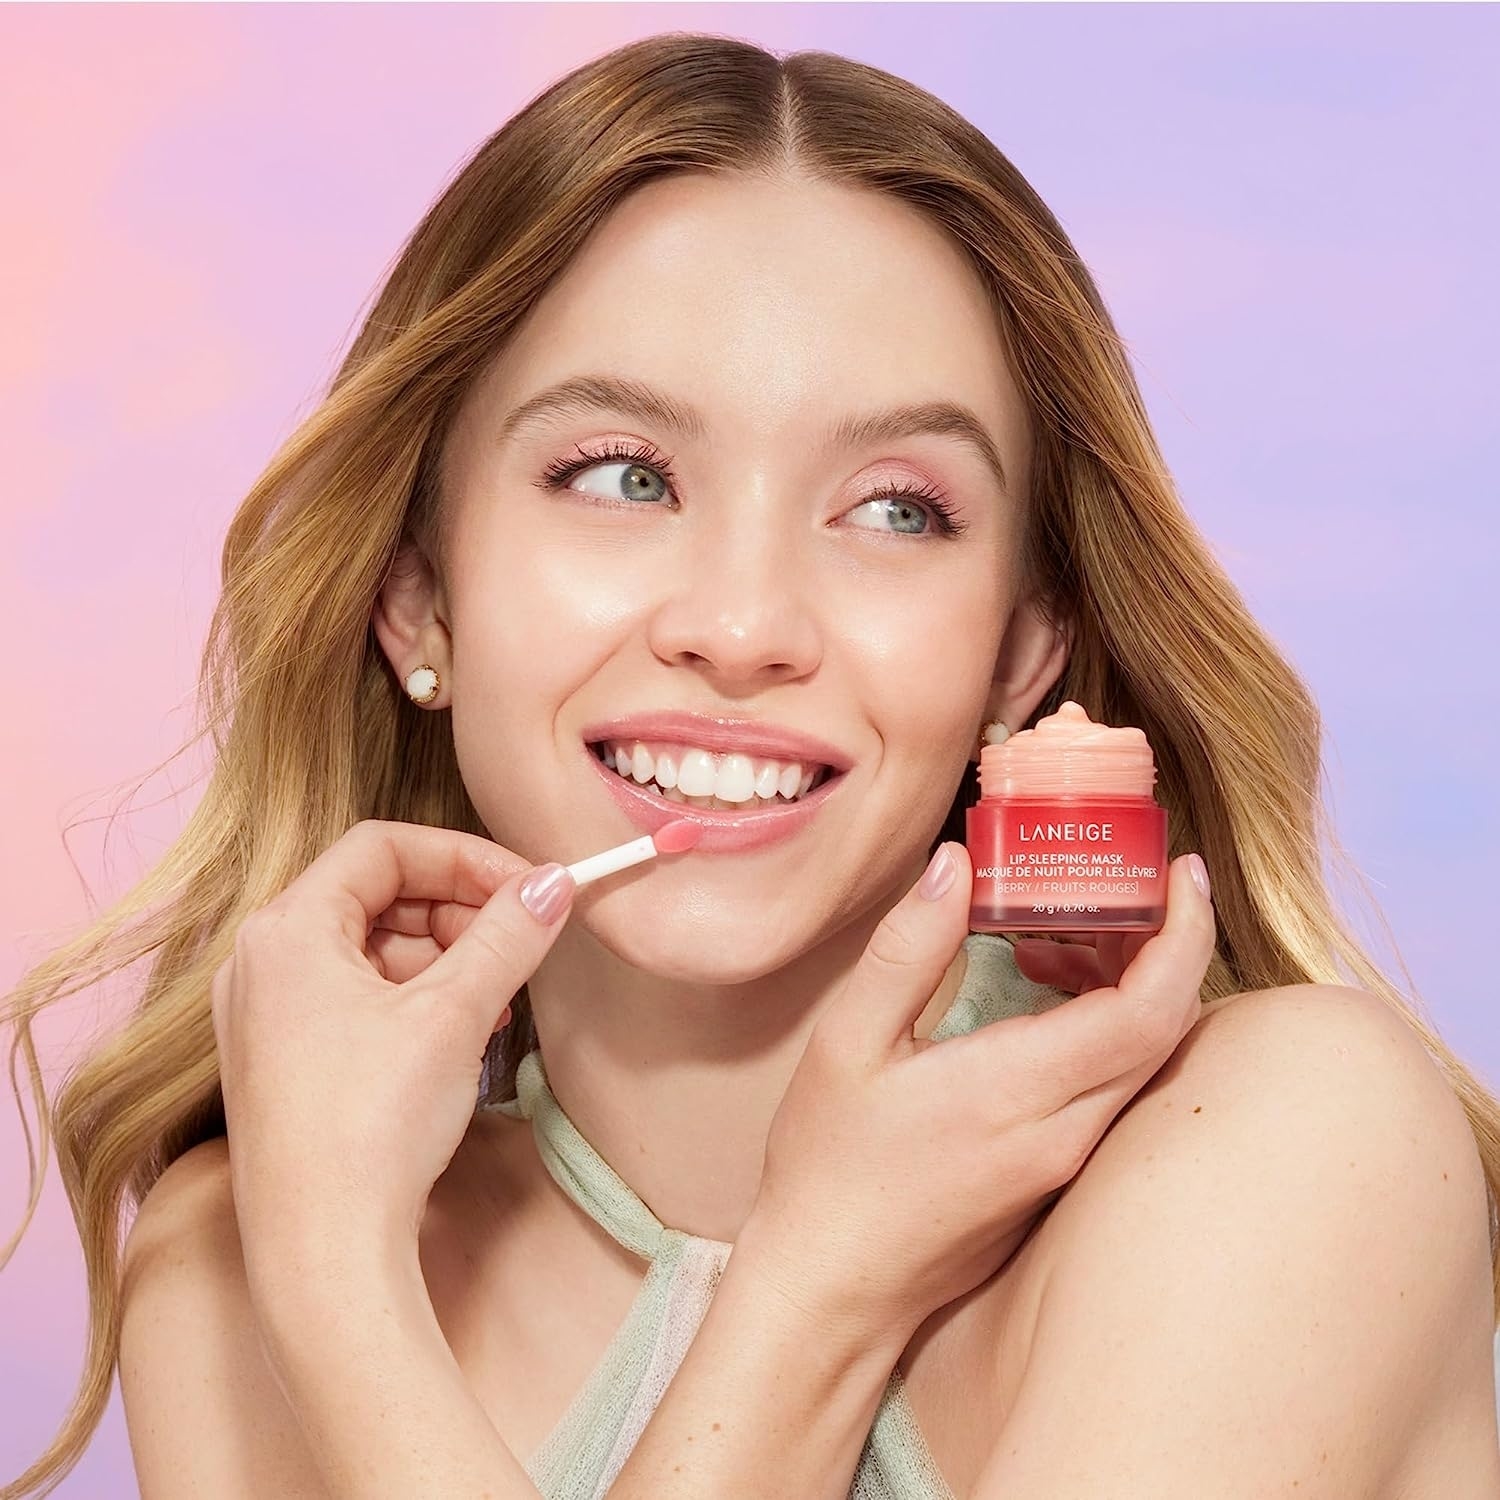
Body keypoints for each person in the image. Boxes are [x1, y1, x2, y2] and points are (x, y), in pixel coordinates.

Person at [4, 33, 1498, 1500]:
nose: (741, 626)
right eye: (623, 477)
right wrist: (335, 1273)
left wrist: (810, 1292)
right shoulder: (239, 1259)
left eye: (898, 510)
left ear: (1020, 653)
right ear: (421, 602)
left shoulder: (1294, 1149)